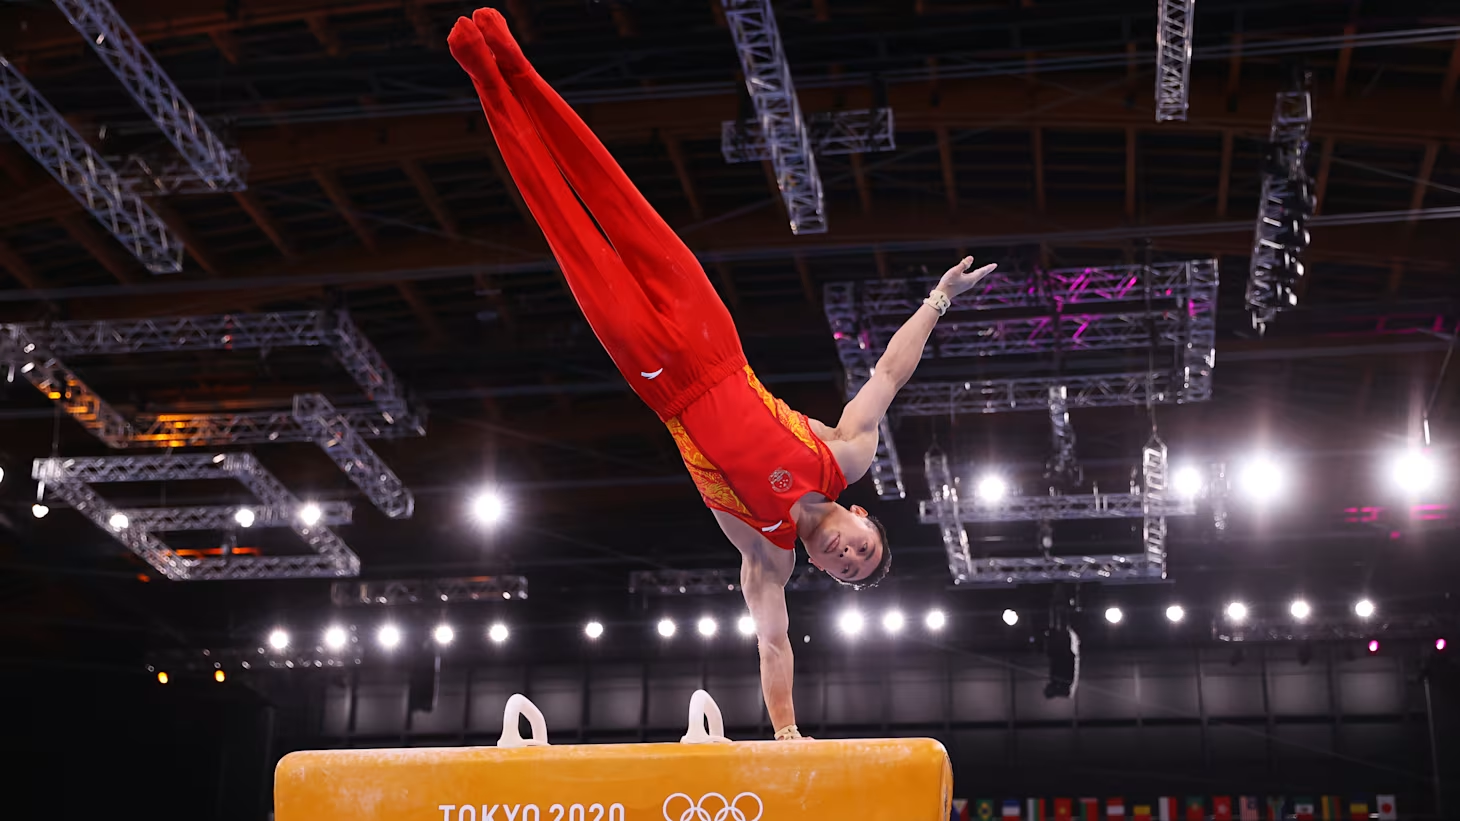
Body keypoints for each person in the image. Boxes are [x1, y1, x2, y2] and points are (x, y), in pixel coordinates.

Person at [448, 10, 996, 741]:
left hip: (663, 382)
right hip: (713, 338)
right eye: (861, 549)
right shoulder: (844, 454)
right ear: (864, 518)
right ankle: (516, 64)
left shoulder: (764, 555)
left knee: (567, 227)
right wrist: (937, 300)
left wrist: (788, 736)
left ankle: (485, 80)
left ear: (826, 573)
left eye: (846, 571)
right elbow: (890, 373)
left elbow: (773, 643)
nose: (844, 555)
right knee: (613, 192)